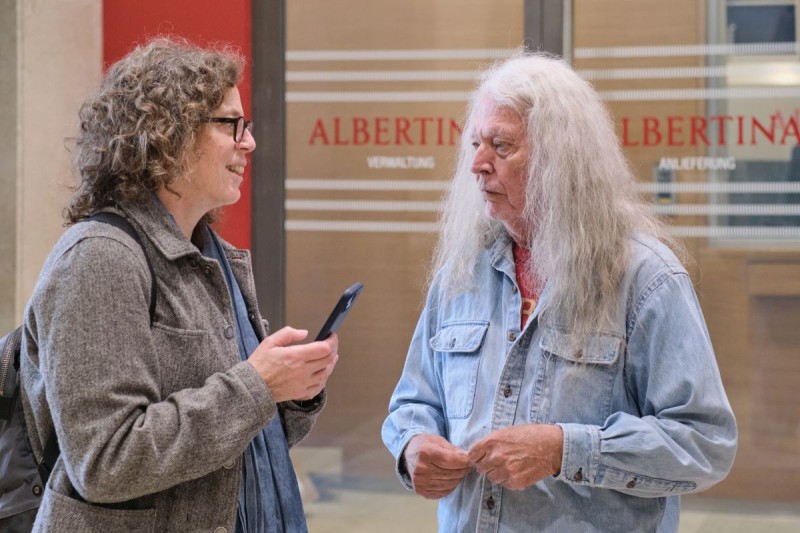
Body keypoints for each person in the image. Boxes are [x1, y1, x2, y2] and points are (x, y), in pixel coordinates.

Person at [382, 51, 737, 532]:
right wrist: (413, 445)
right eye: (475, 144)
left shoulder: (646, 279)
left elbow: (703, 442)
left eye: (501, 146)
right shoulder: (460, 273)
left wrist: (563, 450)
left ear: (559, 159)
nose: (478, 165)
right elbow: (412, 402)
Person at [21, 37, 338, 532]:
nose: (248, 142)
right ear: (168, 135)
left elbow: (234, 450)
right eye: (231, 124)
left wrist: (291, 392)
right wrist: (258, 385)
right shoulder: (99, 258)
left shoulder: (208, 256)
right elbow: (105, 461)